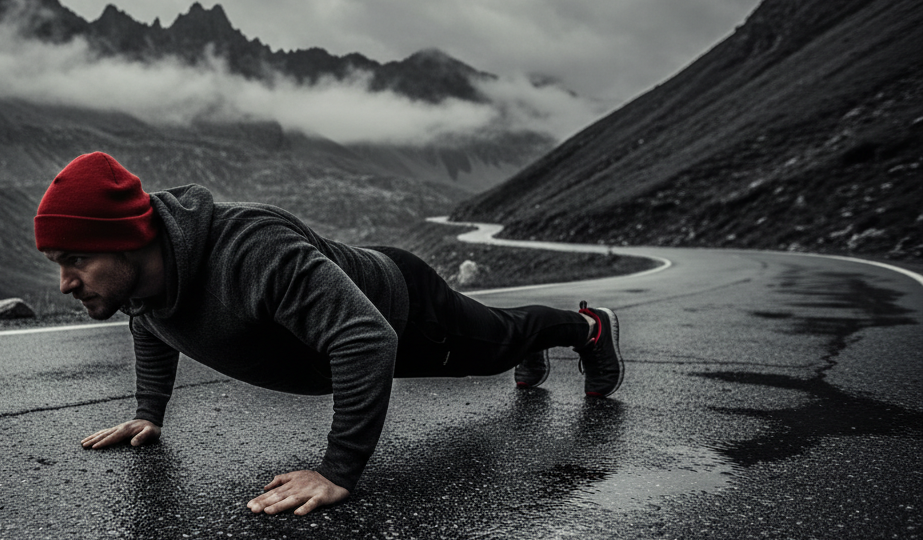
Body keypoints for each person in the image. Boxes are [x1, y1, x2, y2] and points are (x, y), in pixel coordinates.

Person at [35, 152, 623, 516]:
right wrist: (149, 411)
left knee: (500, 347)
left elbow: (366, 340)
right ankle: (539, 340)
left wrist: (338, 471)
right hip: (364, 312)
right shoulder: (145, 283)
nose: (65, 282)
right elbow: (151, 322)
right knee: (505, 341)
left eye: (75, 260)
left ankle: (587, 328)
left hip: (405, 308)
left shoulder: (249, 251)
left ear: (132, 238)